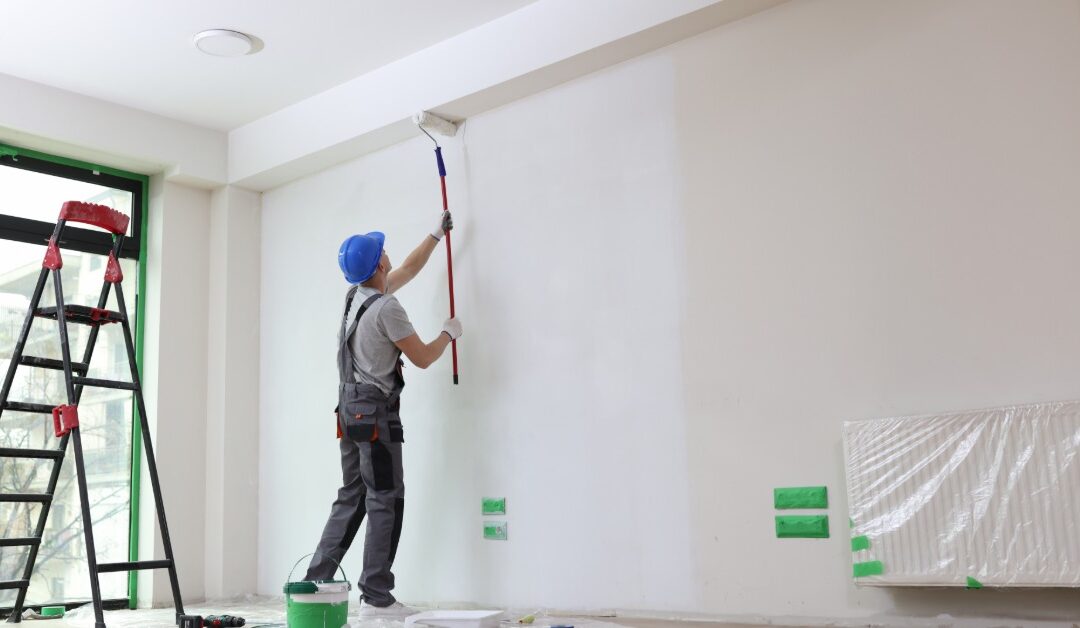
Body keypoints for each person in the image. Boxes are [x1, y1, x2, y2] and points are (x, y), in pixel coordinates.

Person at [305, 211, 462, 618]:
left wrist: (435, 234)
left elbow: (408, 267)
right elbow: (424, 358)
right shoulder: (387, 308)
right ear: (378, 265)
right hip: (376, 418)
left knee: (351, 497)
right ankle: (376, 596)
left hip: (348, 412)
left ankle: (315, 584)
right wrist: (448, 333)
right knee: (385, 499)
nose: (389, 254)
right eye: (383, 251)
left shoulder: (357, 296)